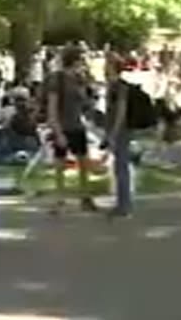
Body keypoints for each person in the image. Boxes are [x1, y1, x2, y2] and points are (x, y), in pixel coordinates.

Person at [44, 46, 95, 213]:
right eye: (81, 60)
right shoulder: (57, 79)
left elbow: (85, 104)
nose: (84, 63)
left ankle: (85, 197)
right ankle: (59, 199)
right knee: (60, 164)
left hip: (78, 125)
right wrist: (57, 132)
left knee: (83, 162)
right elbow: (52, 107)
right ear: (74, 60)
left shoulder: (79, 79)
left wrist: (88, 90)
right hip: (63, 125)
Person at [102, 54, 134, 219]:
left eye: (107, 65)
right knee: (118, 168)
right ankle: (121, 202)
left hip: (120, 130)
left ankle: (125, 205)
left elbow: (120, 111)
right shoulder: (111, 86)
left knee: (122, 168)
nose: (104, 68)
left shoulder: (120, 87)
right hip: (114, 130)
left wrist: (114, 132)